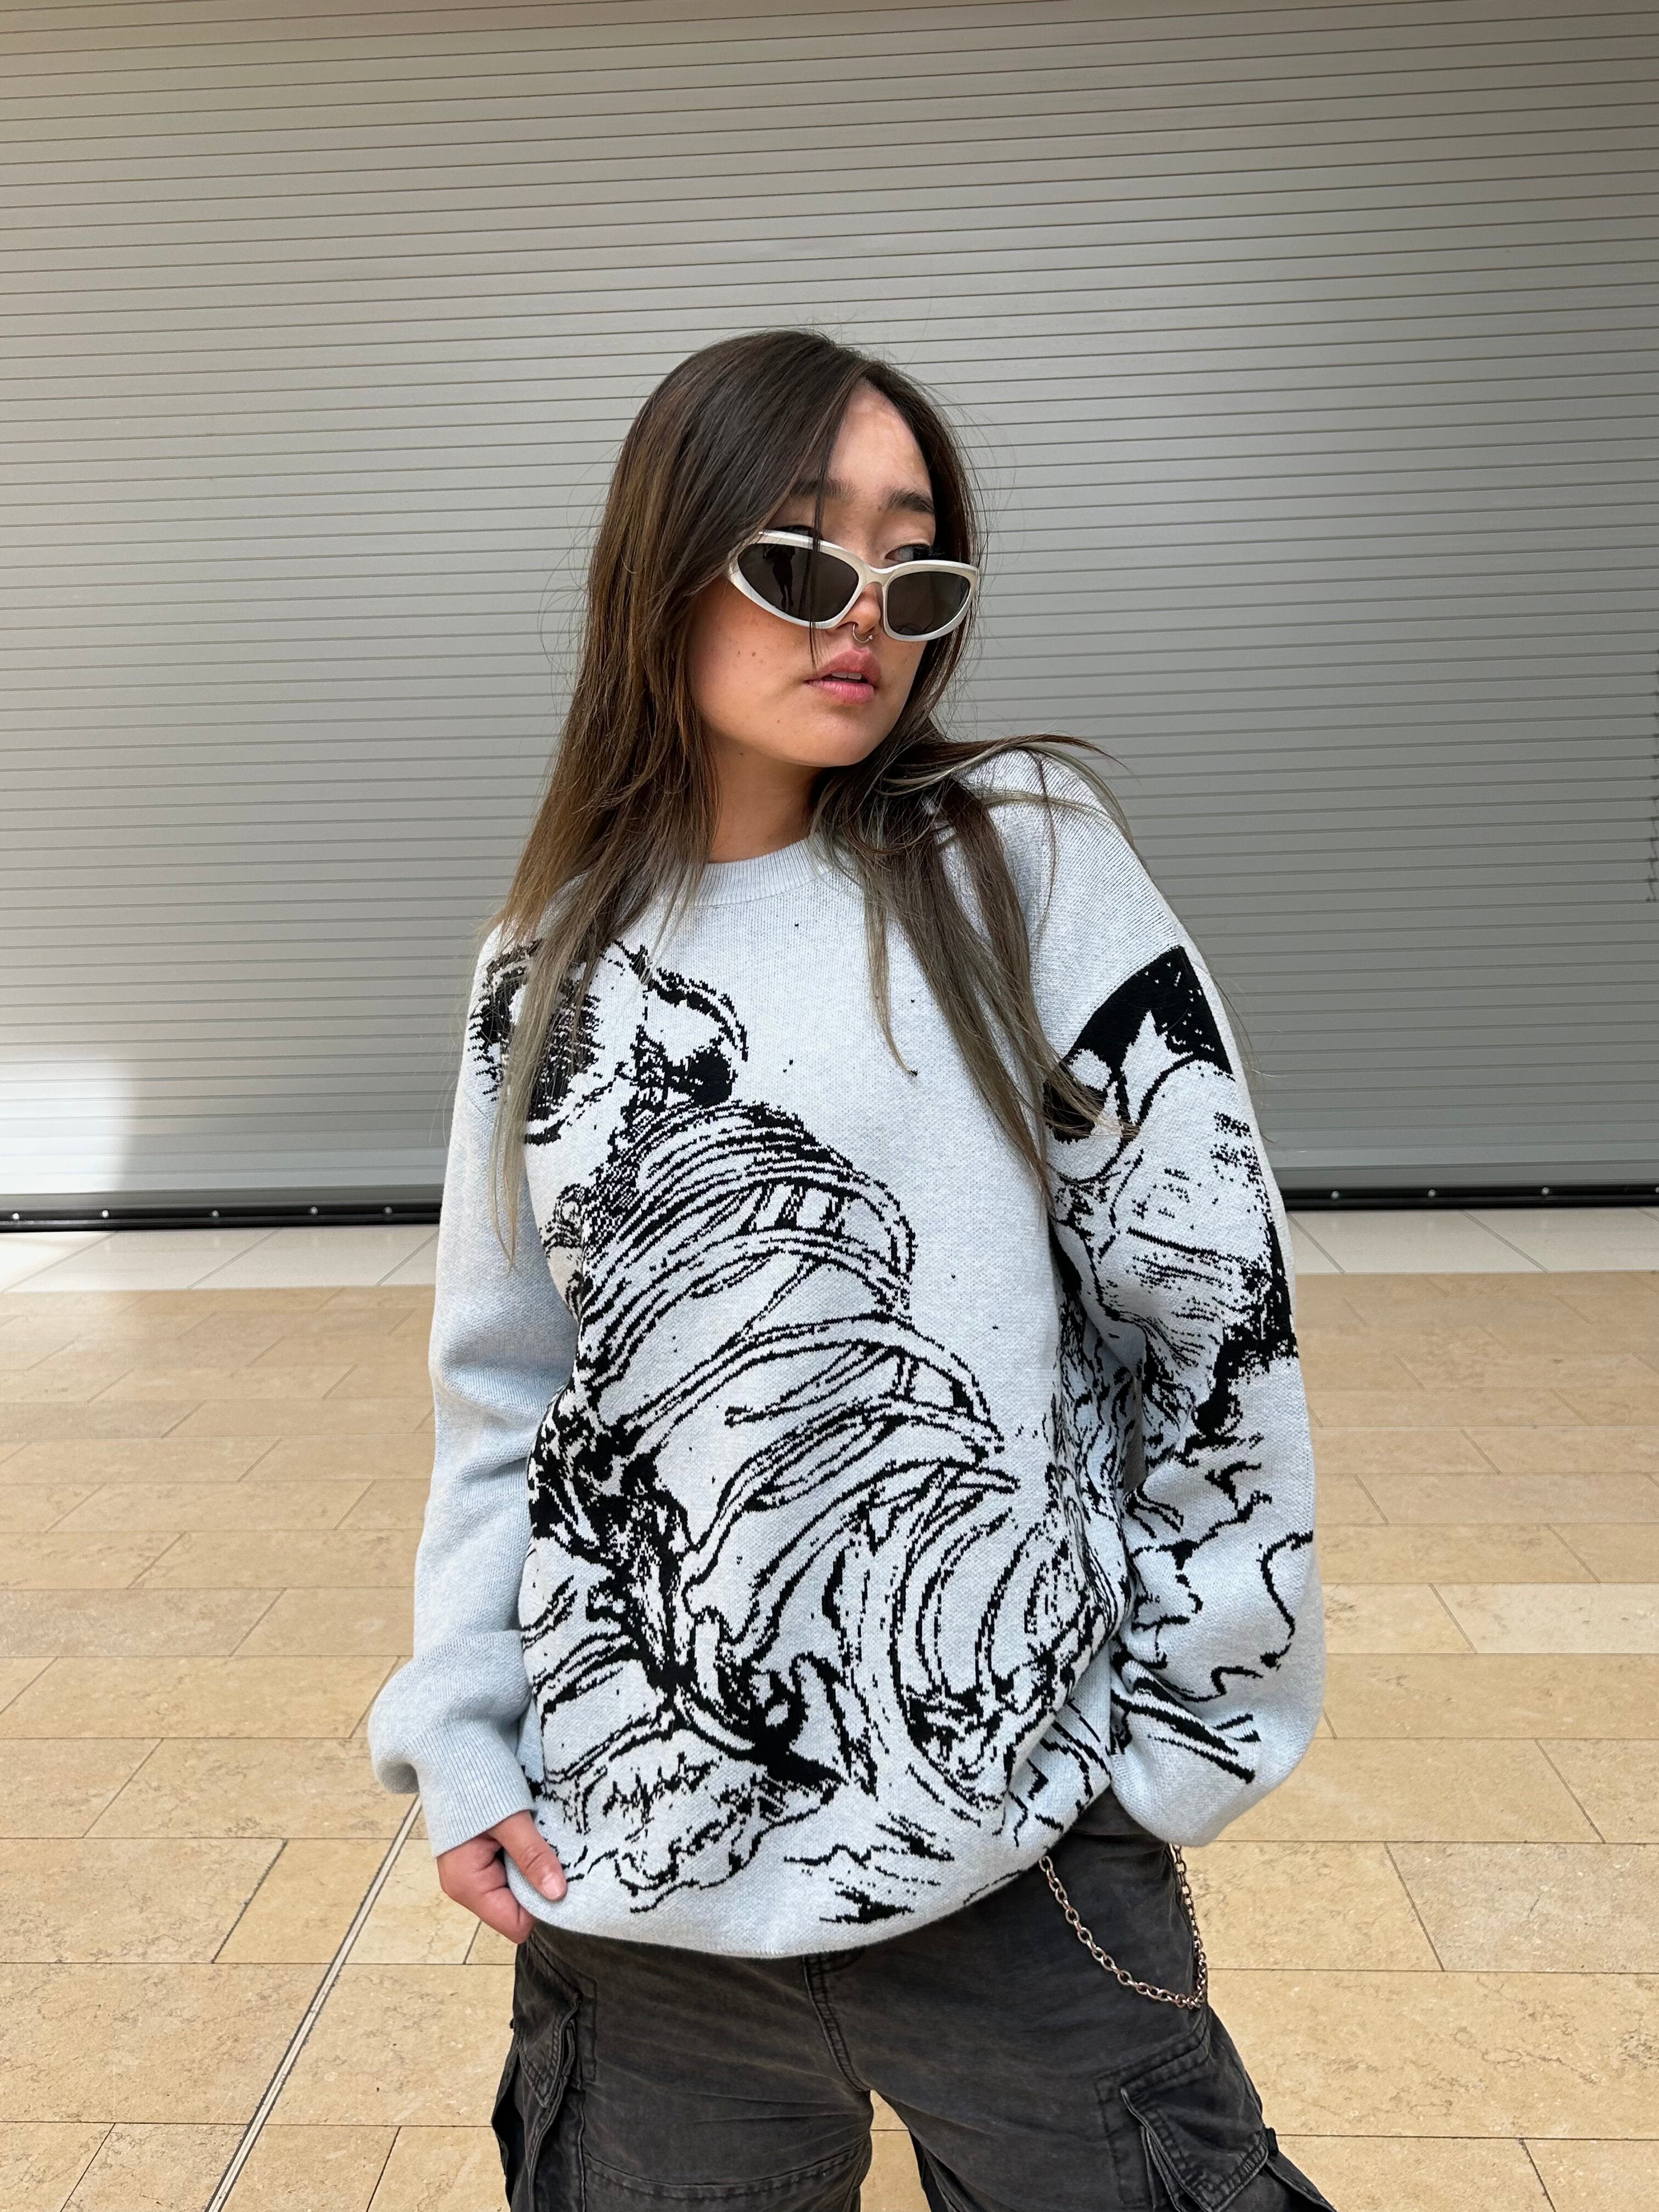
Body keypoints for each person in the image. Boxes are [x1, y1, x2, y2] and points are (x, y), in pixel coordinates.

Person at [368, 329, 1334, 2212]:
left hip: (1020, 1877)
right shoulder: (543, 961)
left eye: (917, 568)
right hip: (636, 1889)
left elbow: (1210, 1309)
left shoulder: (1015, 860)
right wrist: (467, 1732)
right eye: (805, 559)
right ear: (663, 569)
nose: (867, 615)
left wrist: (1168, 1753)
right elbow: (511, 1390)